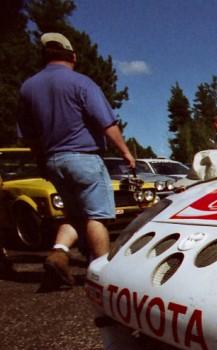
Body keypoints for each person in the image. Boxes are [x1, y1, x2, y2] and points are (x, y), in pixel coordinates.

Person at [17, 32, 135, 287]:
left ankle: (59, 253)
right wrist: (125, 151)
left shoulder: (28, 87)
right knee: (97, 216)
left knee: (74, 215)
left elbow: (27, 133)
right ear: (73, 56)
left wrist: (41, 160)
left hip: (53, 160)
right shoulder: (80, 83)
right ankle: (102, 274)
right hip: (84, 157)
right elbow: (106, 122)